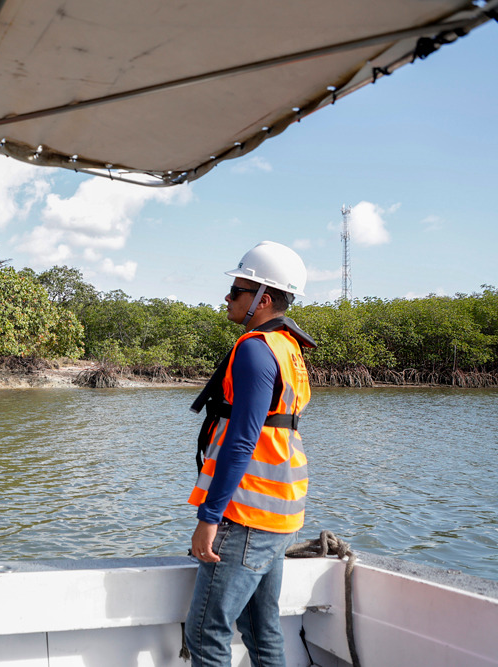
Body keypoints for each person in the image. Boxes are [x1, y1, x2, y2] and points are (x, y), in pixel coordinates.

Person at [184, 241, 316, 667]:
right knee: (261, 630)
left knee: (206, 633)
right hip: (280, 513)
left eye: (238, 289)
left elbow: (242, 441)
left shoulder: (256, 349)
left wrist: (208, 517)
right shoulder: (288, 348)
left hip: (247, 515)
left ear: (264, 298)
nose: (228, 296)